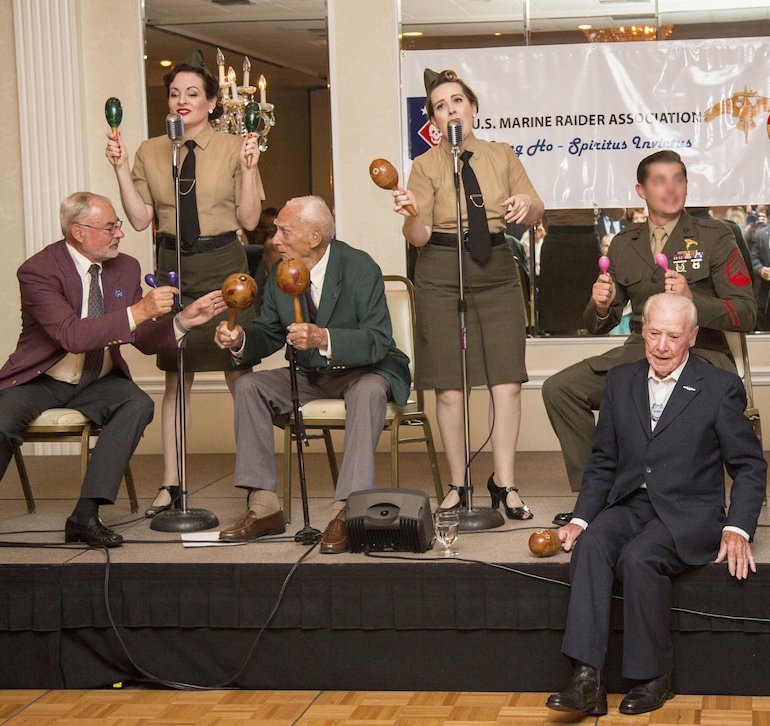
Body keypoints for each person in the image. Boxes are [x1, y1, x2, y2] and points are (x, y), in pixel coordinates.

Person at [0, 193, 223, 553]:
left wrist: (183, 322)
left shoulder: (124, 268)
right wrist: (139, 311)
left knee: (137, 404)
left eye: (118, 226)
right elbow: (71, 335)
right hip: (40, 380)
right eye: (110, 227)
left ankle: (85, 516)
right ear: (78, 231)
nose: (119, 234)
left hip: (98, 380)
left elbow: (139, 336)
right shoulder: (39, 270)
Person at [545, 294, 766, 718]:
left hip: (690, 511)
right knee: (591, 545)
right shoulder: (620, 380)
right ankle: (586, 679)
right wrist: (580, 517)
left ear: (693, 337)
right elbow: (604, 461)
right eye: (654, 333)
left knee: (639, 557)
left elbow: (750, 466)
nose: (662, 346)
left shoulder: (719, 386)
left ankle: (653, 677)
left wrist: (738, 527)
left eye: (673, 336)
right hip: (631, 503)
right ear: (641, 331)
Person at [542, 150, 756, 525]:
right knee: (560, 388)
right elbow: (600, 324)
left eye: (678, 179)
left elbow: (747, 312)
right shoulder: (624, 244)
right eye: (660, 180)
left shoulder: (715, 236)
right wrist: (602, 305)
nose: (670, 188)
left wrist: (695, 301)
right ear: (641, 190)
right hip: (639, 353)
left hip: (701, 352)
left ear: (687, 186)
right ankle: (597, 497)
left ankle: (675, 497)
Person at [105, 51, 264, 518]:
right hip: (174, 263)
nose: (182, 101)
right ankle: (172, 484)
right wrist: (118, 167)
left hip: (224, 263)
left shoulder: (237, 147)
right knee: (177, 377)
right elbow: (138, 220)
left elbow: (251, 219)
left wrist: (251, 168)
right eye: (174, 94)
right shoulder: (150, 150)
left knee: (241, 376)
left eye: (192, 94)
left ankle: (257, 482)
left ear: (212, 102)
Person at [211, 196, 411, 554]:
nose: (275, 240)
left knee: (367, 392)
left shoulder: (359, 267)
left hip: (365, 370)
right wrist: (240, 339)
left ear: (315, 237)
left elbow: (379, 341)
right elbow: (269, 332)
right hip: (313, 375)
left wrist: (322, 337)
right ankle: (264, 507)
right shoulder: (279, 272)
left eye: (285, 232)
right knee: (249, 386)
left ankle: (348, 511)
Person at [389, 68, 544, 519]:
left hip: (495, 267)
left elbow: (535, 206)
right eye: (440, 105)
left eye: (457, 100)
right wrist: (409, 213)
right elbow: (417, 236)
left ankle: (506, 484)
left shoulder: (501, 154)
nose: (450, 109)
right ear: (434, 121)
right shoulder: (425, 165)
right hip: (439, 270)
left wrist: (523, 206)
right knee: (450, 387)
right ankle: (459, 485)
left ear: (472, 107)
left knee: (506, 381)